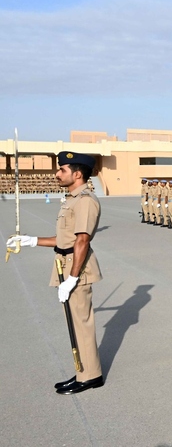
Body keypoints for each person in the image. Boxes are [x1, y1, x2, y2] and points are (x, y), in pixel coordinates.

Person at [8, 151, 106, 394]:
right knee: (75, 322)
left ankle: (90, 376)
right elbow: (63, 240)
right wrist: (31, 240)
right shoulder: (72, 199)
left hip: (77, 269)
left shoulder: (85, 201)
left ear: (77, 174)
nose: (57, 173)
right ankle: (83, 371)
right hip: (67, 264)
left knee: (81, 324)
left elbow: (82, 240)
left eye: (62, 169)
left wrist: (72, 279)